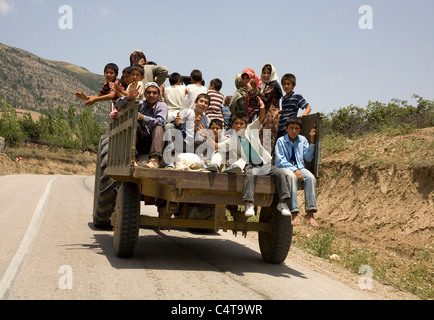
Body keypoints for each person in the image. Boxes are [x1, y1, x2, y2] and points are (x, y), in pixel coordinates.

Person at [199, 96, 291, 218]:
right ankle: (249, 203)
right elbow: (217, 147)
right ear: (232, 125)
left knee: (279, 173)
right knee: (250, 175)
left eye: (241, 123)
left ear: (245, 125)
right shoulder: (232, 140)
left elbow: (260, 118)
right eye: (236, 123)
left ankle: (282, 203)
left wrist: (262, 108)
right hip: (250, 164)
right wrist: (207, 137)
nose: (239, 126)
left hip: (263, 162)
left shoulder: (251, 130)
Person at [275, 117, 318, 227]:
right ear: (286, 129)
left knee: (310, 177)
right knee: (291, 177)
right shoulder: (281, 141)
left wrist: (312, 142)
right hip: (285, 168)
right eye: (291, 128)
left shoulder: (302, 140)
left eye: (296, 128)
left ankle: (310, 213)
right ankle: (294, 212)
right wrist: (294, 170)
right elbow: (281, 161)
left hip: (299, 167)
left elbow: (308, 158)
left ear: (299, 130)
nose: (294, 131)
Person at [115, 82, 168, 169]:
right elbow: (118, 105)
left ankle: (154, 160)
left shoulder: (162, 106)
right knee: (133, 123)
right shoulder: (140, 104)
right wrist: (129, 98)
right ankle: (132, 158)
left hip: (156, 143)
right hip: (141, 142)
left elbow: (161, 122)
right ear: (145, 94)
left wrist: (144, 118)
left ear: (158, 95)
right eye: (149, 92)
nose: (151, 95)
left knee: (159, 127)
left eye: (154, 93)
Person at [259, 64, 283, 159]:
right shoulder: (266, 85)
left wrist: (254, 90)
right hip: (266, 117)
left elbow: (264, 97)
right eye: (264, 73)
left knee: (267, 140)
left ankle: (266, 163)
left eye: (268, 73)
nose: (265, 75)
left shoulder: (273, 85)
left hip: (270, 118)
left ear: (272, 74)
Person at [278, 73, 312, 138]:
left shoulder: (297, 97)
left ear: (293, 85)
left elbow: (308, 107)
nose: (286, 86)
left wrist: (304, 114)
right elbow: (287, 109)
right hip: (281, 127)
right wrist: (279, 112)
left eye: (288, 84)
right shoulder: (283, 98)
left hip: (290, 128)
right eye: (284, 84)